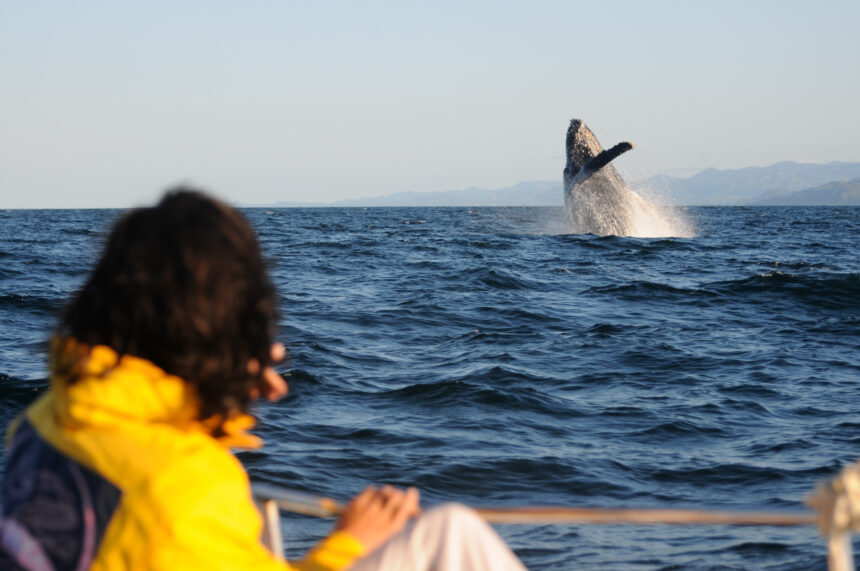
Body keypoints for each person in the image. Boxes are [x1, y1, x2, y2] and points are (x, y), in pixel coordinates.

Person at [0, 189, 525, 570]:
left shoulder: (43, 422)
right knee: (452, 534)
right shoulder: (184, 490)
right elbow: (167, 514)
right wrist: (349, 541)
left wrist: (213, 392)